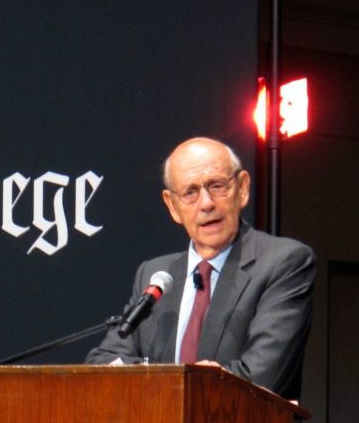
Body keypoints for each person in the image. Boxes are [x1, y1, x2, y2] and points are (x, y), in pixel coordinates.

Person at [86, 137, 315, 400]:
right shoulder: (156, 274)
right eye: (190, 192)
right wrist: (173, 378)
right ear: (173, 206)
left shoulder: (283, 262)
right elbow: (104, 360)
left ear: (242, 188)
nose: (206, 203)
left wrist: (151, 380)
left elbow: (259, 378)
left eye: (217, 186)